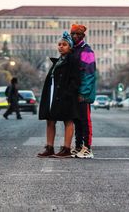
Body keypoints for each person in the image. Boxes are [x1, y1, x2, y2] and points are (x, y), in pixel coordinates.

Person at [37, 31, 80, 158]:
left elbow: (76, 80)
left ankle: (66, 148)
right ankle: (49, 147)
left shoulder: (73, 60)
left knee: (68, 120)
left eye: (64, 44)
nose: (61, 46)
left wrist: (68, 94)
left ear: (70, 47)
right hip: (53, 95)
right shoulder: (58, 61)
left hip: (66, 96)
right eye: (59, 44)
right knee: (50, 120)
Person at [70, 24, 96, 159]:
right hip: (74, 91)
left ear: (83, 36)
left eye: (77, 34)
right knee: (77, 120)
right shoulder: (73, 49)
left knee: (85, 120)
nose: (75, 36)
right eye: (73, 34)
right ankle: (79, 146)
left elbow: (89, 74)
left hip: (82, 93)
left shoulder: (86, 51)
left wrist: (84, 93)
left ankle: (87, 148)